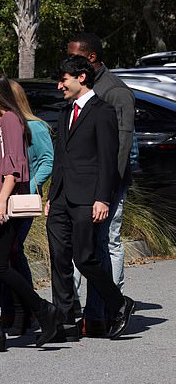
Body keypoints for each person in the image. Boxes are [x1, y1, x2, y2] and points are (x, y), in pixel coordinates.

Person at [0, 72, 58, 353]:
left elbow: (14, 169)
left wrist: (1, 202)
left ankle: (43, 310)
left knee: (0, 265)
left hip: (5, 204)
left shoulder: (12, 122)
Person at [45, 55, 135, 342]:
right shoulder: (64, 112)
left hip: (87, 198)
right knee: (59, 258)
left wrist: (103, 199)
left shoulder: (103, 111)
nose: (60, 85)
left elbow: (108, 161)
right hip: (61, 197)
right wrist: (51, 196)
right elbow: (61, 157)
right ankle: (64, 322)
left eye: (64, 79)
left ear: (81, 77)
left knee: (84, 257)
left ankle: (119, 303)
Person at [67, 33, 135, 336]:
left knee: (107, 241)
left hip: (109, 185)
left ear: (91, 58)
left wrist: (106, 191)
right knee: (90, 246)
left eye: (74, 56)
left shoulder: (116, 93)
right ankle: (94, 310)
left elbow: (121, 146)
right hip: (84, 185)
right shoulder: (81, 88)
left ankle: (108, 308)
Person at [0, 80, 54, 336]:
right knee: (5, 254)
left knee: (15, 250)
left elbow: (47, 160)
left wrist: (30, 186)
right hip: (0, 197)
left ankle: (27, 310)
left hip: (22, 200)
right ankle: (11, 309)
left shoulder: (35, 127)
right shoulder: (0, 126)